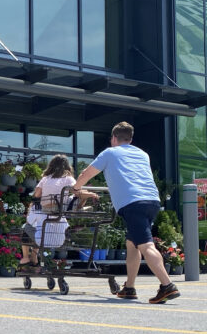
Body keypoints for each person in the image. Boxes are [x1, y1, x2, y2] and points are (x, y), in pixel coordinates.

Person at [72, 121, 180, 304]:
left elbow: (86, 173)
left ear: (114, 138)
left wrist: (76, 188)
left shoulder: (110, 152)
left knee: (146, 245)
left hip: (133, 203)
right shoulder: (142, 154)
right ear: (130, 139)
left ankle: (167, 285)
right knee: (132, 243)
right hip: (152, 201)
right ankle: (129, 287)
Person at [20, 155, 96, 270]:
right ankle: (34, 259)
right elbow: (77, 191)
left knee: (28, 227)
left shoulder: (45, 178)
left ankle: (27, 257)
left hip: (47, 212)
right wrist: (90, 194)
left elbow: (36, 195)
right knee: (40, 228)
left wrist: (46, 196)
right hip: (61, 216)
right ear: (67, 166)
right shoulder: (68, 178)